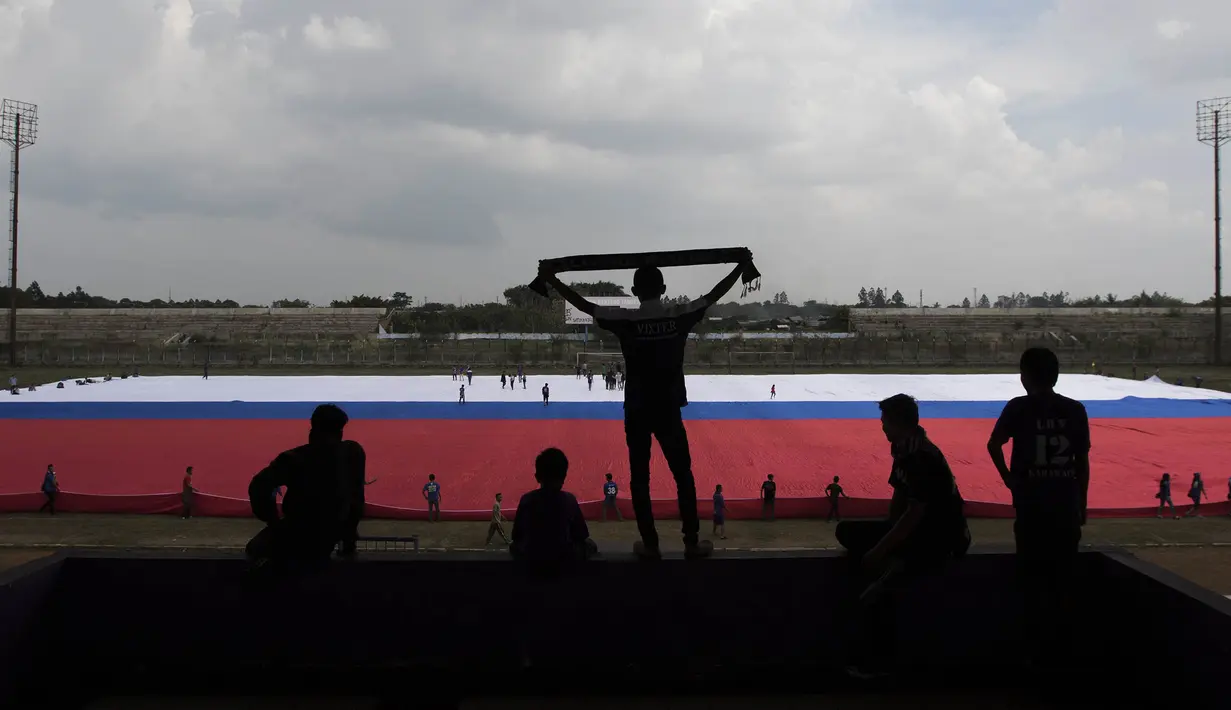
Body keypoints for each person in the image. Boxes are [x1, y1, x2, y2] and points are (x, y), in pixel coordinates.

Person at [540, 254, 751, 560]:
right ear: (663, 288)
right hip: (668, 409)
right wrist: (740, 267)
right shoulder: (679, 315)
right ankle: (691, 542)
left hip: (637, 409)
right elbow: (713, 295)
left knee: (640, 479)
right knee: (684, 476)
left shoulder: (626, 321)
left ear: (635, 291)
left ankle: (650, 545)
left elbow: (585, 306)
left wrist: (553, 279)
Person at [837, 394, 970, 678]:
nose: (882, 427)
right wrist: (888, 533)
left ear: (899, 423)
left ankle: (876, 664)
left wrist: (882, 549)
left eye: (885, 421)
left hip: (938, 537)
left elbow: (914, 515)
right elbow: (899, 498)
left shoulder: (921, 457)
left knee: (876, 595)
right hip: (919, 529)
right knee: (846, 531)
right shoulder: (904, 449)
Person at [987, 347, 1090, 668]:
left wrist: (1009, 480)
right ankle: (1064, 656)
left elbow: (993, 445)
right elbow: (1082, 462)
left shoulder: (1018, 408)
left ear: (1024, 377)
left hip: (1031, 508)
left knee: (1031, 584)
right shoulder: (1075, 410)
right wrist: (1081, 503)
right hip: (1065, 509)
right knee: (1064, 583)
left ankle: (1033, 655)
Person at [246, 404, 367, 570]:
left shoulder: (294, 458)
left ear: (313, 429)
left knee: (255, 551)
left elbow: (259, 486)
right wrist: (348, 536)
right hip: (331, 532)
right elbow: (357, 498)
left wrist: (273, 521)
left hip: (298, 532)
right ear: (340, 432)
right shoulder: (353, 454)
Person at [509, 448, 597, 571]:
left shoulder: (527, 500)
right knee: (589, 545)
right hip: (563, 558)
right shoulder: (569, 500)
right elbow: (581, 535)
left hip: (533, 559)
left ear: (537, 477)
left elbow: (516, 536)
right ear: (564, 477)